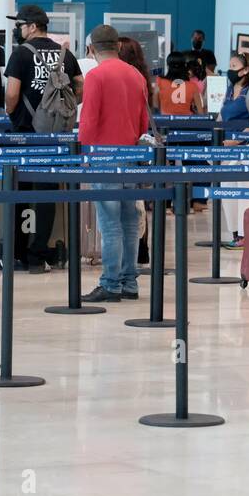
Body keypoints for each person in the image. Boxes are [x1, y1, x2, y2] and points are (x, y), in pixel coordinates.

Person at [4, 5, 84, 271]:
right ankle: (39, 254)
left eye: (20, 25)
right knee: (47, 192)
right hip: (56, 134)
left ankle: (19, 252)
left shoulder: (20, 54)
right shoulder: (65, 53)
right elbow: (80, 86)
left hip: (26, 133)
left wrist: (12, 113)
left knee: (20, 191)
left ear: (33, 26)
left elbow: (13, 93)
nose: (18, 29)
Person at [78, 25, 151, 302]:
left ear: (92, 49)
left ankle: (110, 283)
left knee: (109, 224)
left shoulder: (96, 76)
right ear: (118, 46)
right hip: (132, 154)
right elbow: (144, 121)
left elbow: (89, 120)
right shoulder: (136, 75)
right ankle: (129, 281)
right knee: (130, 220)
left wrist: (83, 153)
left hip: (104, 156)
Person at [219, 50, 249, 249]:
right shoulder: (230, 90)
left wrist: (238, 140)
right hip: (228, 148)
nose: (229, 70)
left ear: (245, 70)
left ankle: (246, 233)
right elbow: (222, 118)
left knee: (246, 191)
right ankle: (235, 233)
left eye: (233, 67)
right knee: (227, 191)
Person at [156, 51, 206, 115]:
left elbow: (155, 108)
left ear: (168, 66)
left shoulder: (159, 82)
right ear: (184, 66)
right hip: (186, 123)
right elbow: (201, 113)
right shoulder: (193, 86)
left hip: (165, 123)